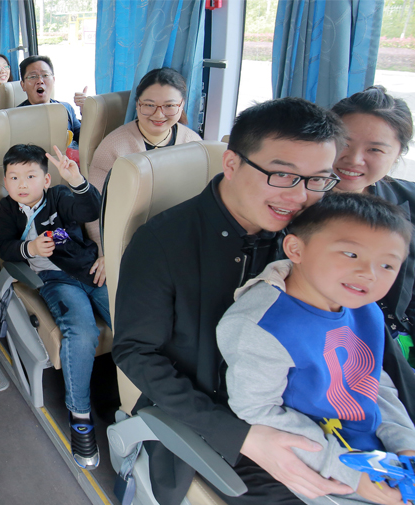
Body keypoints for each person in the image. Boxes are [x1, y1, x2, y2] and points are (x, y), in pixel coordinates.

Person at [110, 97, 413, 505]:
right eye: (283, 175)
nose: (299, 196)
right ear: (232, 164)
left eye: (317, 179)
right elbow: (136, 352)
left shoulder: (311, 235)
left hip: (316, 408)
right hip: (216, 420)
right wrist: (245, 437)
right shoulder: (164, 242)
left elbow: (366, 360)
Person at [218, 192, 415, 505]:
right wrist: (351, 475)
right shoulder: (261, 325)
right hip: (311, 467)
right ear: (296, 249)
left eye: (387, 265)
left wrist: (405, 444)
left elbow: (373, 384)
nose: (369, 273)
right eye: (351, 254)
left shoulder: (365, 310)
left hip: (376, 456)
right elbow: (258, 411)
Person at [0, 144, 109, 470]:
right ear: (5, 181)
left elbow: (90, 211)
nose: (22, 184)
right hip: (56, 281)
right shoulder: (9, 208)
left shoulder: (59, 196)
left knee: (129, 319)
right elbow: (4, 247)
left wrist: (77, 182)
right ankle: (80, 415)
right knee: (82, 331)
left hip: (90, 270)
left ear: (46, 180)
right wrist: (29, 247)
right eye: (14, 177)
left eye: (30, 176)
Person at [331, 86, 415, 367]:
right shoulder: (289, 203)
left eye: (375, 149)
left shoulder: (411, 202)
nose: (354, 159)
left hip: (399, 341)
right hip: (331, 345)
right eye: (343, 142)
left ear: (398, 154)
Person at [85, 67, 201, 268]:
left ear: (182, 105)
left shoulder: (193, 143)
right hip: (129, 241)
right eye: (149, 105)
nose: (159, 114)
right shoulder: (114, 146)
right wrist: (105, 253)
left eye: (169, 106)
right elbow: (95, 208)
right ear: (137, 104)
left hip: (179, 240)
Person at [18, 55, 82, 145]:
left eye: (45, 75)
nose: (40, 81)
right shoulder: (16, 117)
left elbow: (83, 140)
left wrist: (85, 110)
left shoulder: (66, 108)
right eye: (33, 77)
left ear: (53, 80)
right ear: (23, 85)